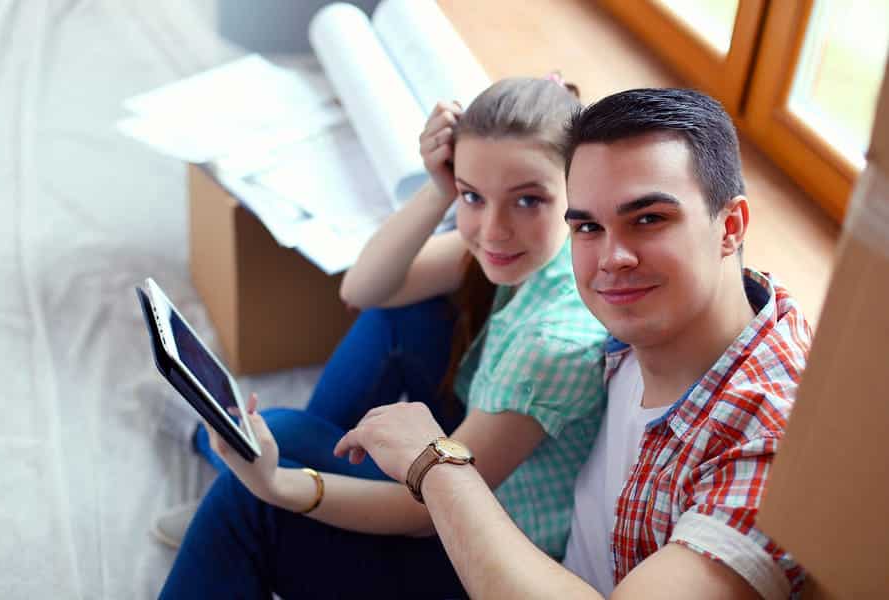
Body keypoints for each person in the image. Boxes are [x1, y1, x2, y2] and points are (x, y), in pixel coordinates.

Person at [334, 88, 813, 599]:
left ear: (731, 227)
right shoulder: (667, 300)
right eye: (587, 225)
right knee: (284, 446)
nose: (613, 258)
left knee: (256, 509)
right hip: (530, 550)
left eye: (649, 219)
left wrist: (436, 464)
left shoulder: (770, 444)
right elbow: (366, 288)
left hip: (531, 570)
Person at [158, 76, 609, 598]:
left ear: (578, 189)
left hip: (481, 554)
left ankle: (230, 476)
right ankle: (242, 473)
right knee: (401, 318)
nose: (493, 230)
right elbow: (366, 288)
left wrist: (279, 488)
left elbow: (423, 512)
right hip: (466, 475)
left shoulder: (551, 340)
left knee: (258, 483)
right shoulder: (545, 247)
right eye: (472, 195)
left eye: (528, 200)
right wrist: (439, 189)